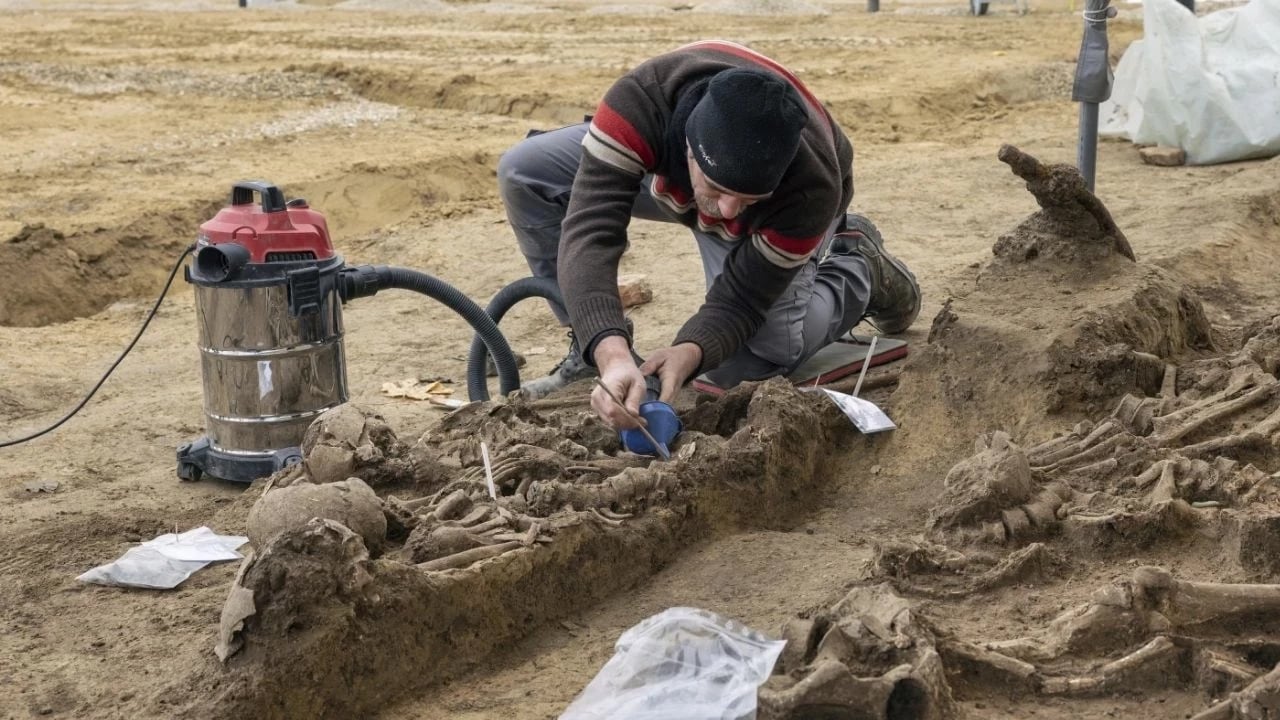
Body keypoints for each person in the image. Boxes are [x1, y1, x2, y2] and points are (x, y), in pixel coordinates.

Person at [497, 40, 921, 431]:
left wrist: (690, 350)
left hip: (778, 217)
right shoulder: (640, 104)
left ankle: (857, 267)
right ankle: (588, 350)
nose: (728, 213)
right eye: (719, 191)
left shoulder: (812, 188)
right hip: (669, 169)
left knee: (756, 358)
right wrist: (608, 348)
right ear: (687, 150)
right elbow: (590, 230)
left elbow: (742, 301)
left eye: (748, 197)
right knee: (525, 172)